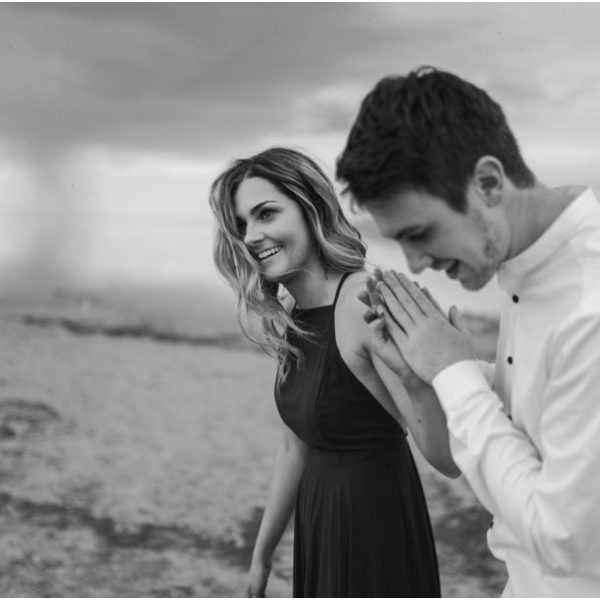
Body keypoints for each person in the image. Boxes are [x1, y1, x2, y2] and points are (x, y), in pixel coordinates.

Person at [335, 66, 600, 596]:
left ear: (487, 183)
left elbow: (564, 539)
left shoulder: (589, 304)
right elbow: (539, 414)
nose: (414, 264)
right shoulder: (529, 264)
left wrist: (454, 373)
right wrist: (423, 374)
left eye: (420, 233)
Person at [209, 147, 459, 598]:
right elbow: (294, 448)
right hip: (319, 515)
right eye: (243, 223)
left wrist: (424, 379)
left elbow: (446, 459)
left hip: (374, 527)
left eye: (267, 214)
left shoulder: (363, 298)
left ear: (310, 209)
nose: (251, 236)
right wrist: (261, 560)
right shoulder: (291, 313)